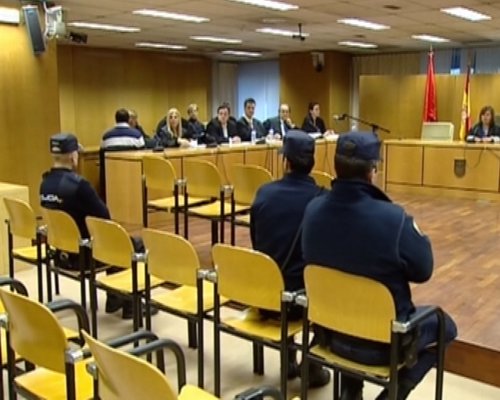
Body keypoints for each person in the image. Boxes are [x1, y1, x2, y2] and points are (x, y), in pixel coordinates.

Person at [301, 132, 458, 400]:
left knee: (349, 297)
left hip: (329, 334)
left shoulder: (312, 210)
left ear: (335, 166)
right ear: (373, 170)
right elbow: (423, 270)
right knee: (446, 327)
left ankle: (351, 391)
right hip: (384, 346)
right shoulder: (393, 218)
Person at [250, 130, 330, 388]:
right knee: (334, 289)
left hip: (264, 295)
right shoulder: (323, 200)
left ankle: (288, 359)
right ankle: (313, 364)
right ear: (312, 164)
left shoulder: (263, 193)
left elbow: (256, 243)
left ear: (285, 161)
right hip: (304, 302)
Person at [40, 133, 141, 319]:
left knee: (112, 240)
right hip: (85, 257)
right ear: (73, 156)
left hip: (60, 255)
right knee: (129, 243)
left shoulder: (44, 185)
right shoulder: (79, 186)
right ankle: (128, 304)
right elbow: (105, 217)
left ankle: (116, 297)